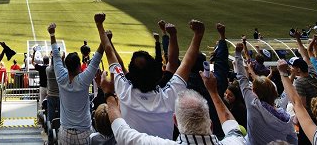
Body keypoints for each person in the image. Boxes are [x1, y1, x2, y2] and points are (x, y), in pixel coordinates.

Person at [97, 15, 204, 138]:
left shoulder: (124, 91)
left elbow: (111, 55)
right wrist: (196, 35)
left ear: (130, 73)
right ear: (155, 71)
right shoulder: (168, 95)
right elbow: (184, 63)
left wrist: (100, 26)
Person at [104, 68, 245, 145]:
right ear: (211, 125)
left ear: (176, 122)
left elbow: (122, 133)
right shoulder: (236, 142)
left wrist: (109, 96)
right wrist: (213, 92)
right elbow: (232, 125)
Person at [48, 16, 103, 144]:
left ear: (66, 66)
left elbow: (56, 55)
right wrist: (104, 38)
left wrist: (52, 34)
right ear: (79, 66)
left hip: (65, 132)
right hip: (84, 132)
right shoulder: (83, 80)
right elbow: (96, 59)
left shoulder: (61, 78)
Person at [233, 43, 297, 145]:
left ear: (255, 92)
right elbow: (293, 141)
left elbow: (242, 78)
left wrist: (237, 54)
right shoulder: (286, 118)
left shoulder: (253, 105)